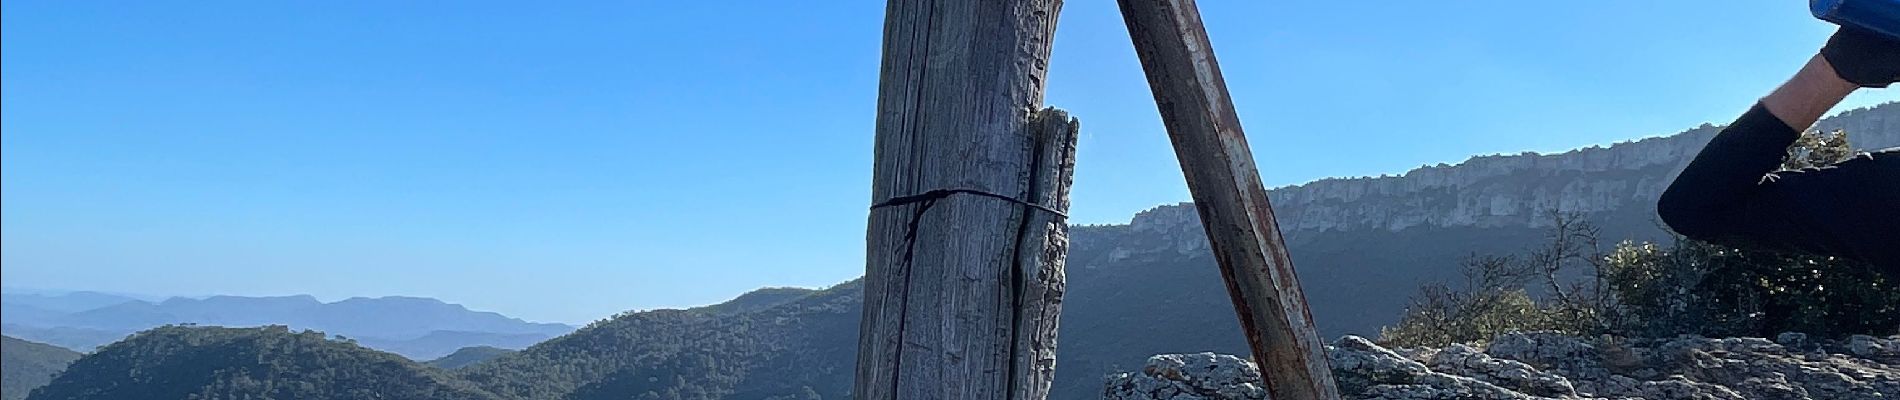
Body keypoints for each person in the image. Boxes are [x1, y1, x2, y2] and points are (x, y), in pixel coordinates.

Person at [1656, 28, 1899, 272]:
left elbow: (1693, 211)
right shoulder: (1886, 190)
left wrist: (1834, 71)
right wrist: (1835, 69)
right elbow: (1695, 209)